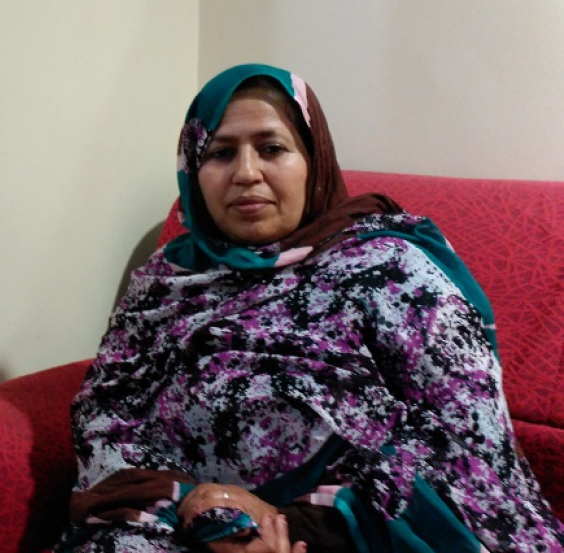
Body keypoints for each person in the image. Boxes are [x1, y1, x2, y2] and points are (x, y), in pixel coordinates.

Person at [55, 64, 564, 553]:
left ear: (313, 161)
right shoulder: (164, 282)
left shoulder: (390, 269)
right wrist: (202, 512)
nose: (246, 173)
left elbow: (472, 445)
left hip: (354, 531)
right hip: (178, 525)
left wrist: (285, 528)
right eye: (221, 153)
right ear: (193, 169)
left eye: (272, 148)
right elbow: (105, 417)